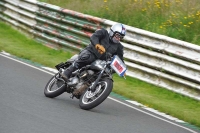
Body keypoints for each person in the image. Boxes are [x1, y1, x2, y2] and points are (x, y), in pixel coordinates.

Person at [61, 23, 126, 82]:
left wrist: (122, 70)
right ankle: (67, 73)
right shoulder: (103, 32)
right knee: (87, 57)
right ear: (112, 32)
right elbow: (94, 37)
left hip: (101, 62)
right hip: (91, 52)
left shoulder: (119, 47)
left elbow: (120, 58)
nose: (118, 39)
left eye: (121, 37)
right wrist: (97, 45)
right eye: (117, 36)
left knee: (106, 73)